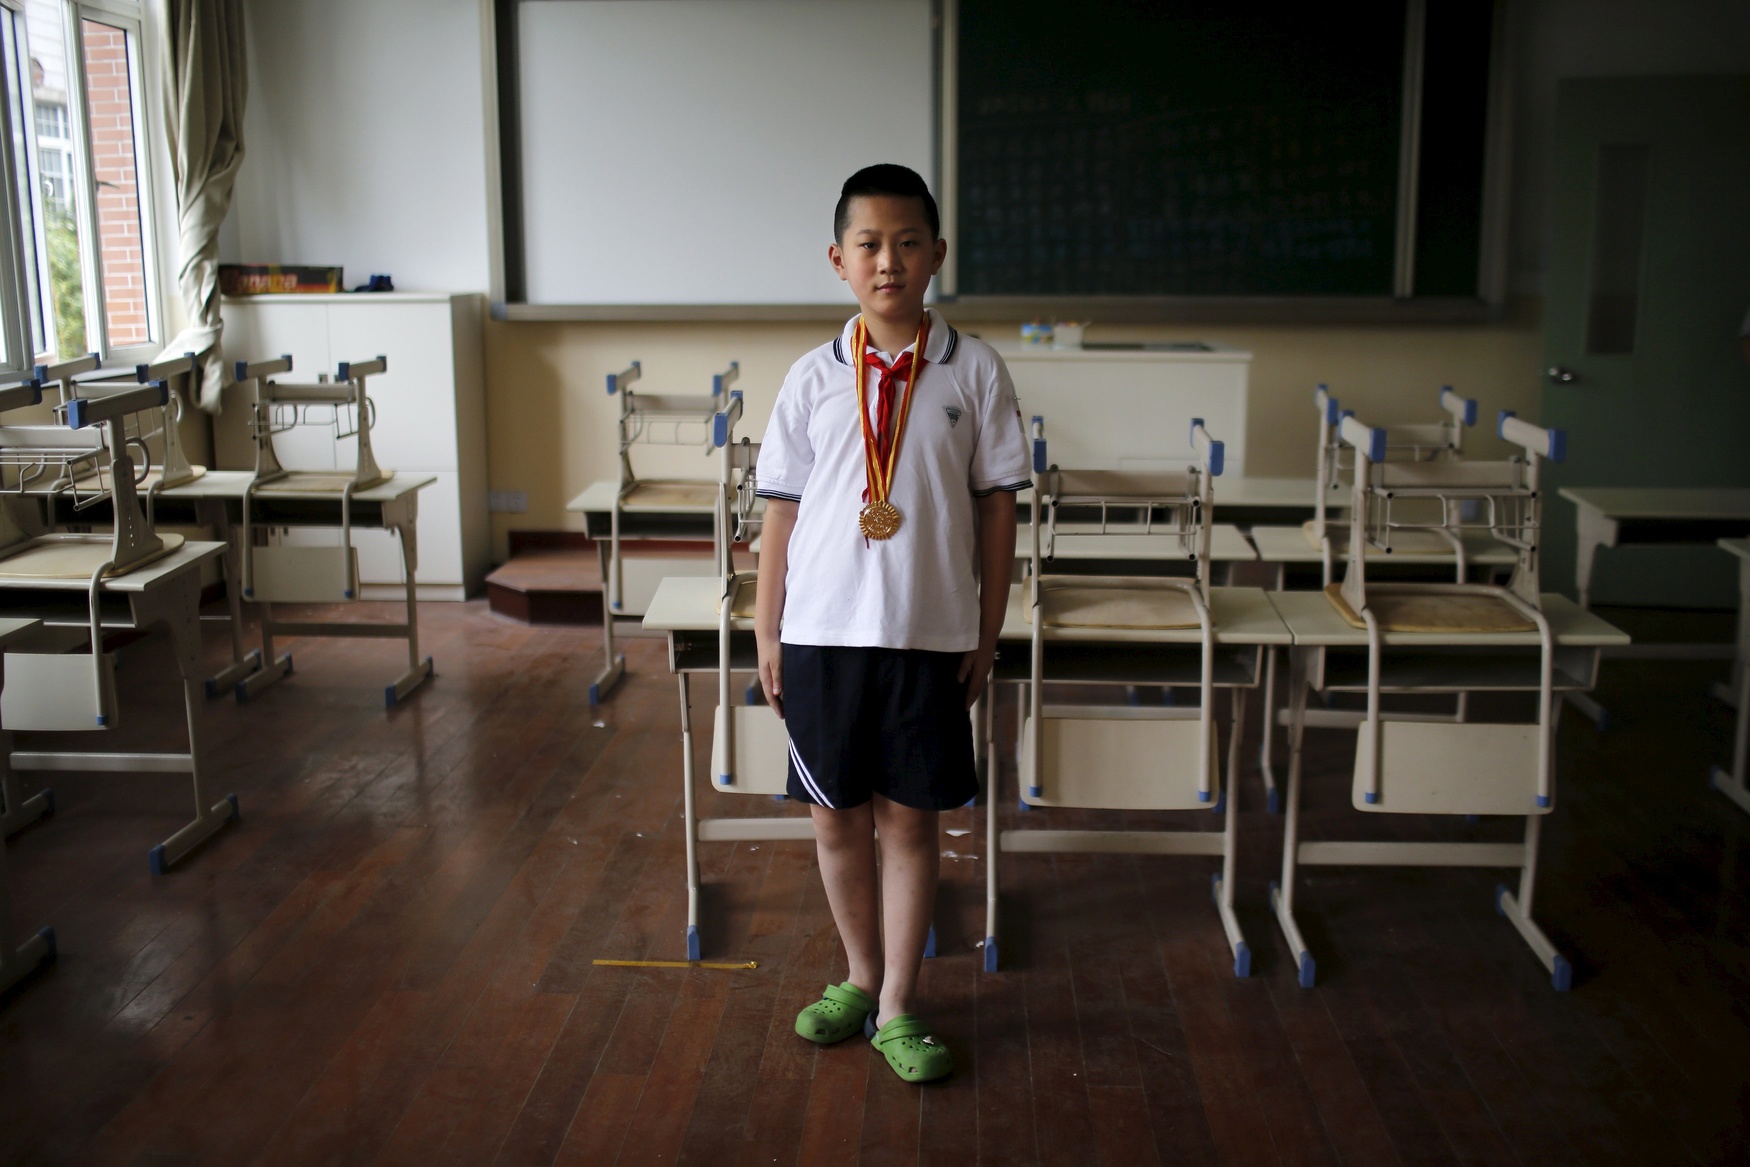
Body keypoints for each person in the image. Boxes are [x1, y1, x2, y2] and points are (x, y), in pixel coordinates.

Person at [753, 164, 1028, 1083]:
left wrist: (986, 631)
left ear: (936, 254)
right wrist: (767, 630)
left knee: (911, 825)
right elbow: (782, 515)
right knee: (836, 822)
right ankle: (860, 978)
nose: (889, 261)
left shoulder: (974, 369)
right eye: (869, 244)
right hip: (824, 634)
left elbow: (997, 510)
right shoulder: (810, 377)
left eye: (908, 242)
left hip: (927, 633)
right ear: (839, 259)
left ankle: (903, 1003)